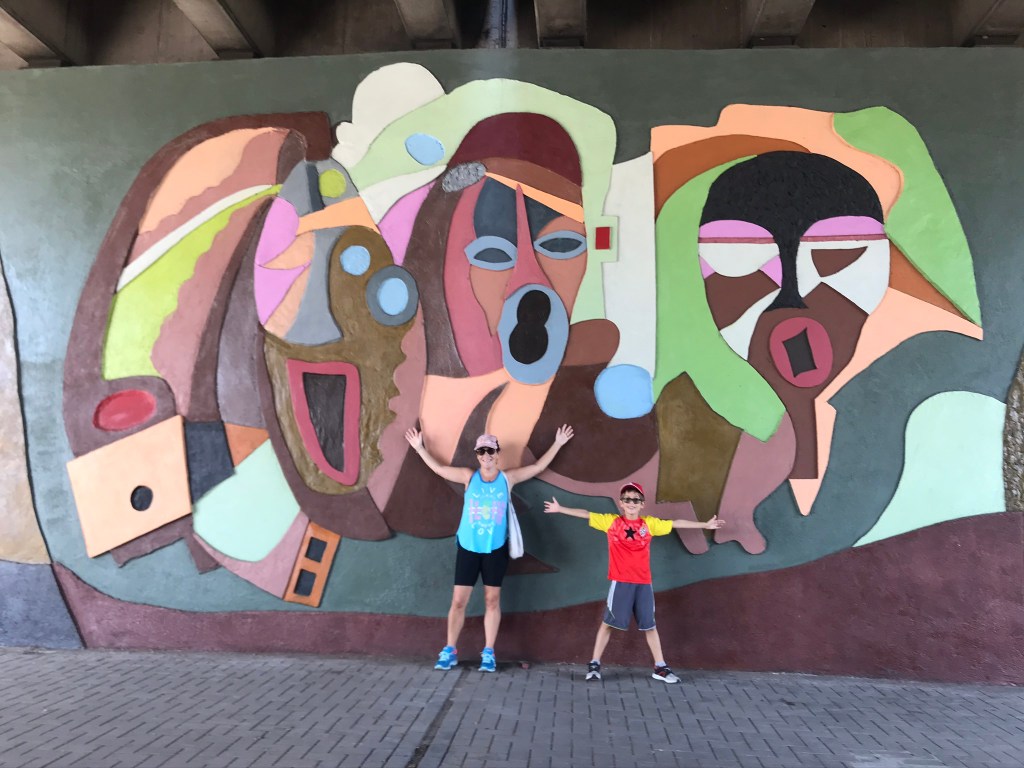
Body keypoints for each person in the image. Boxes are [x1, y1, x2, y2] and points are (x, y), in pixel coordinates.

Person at [405, 424, 574, 672]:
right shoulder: (467, 476)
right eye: (482, 451)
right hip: (468, 548)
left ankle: (488, 652)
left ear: (497, 453)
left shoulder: (508, 479)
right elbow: (439, 469)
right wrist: (420, 448)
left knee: (492, 600)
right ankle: (450, 650)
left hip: (495, 549)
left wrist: (558, 443)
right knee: (459, 601)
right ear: (477, 454)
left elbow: (537, 468)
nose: (486, 456)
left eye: (491, 451)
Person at [543, 481, 725, 683]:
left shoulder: (649, 524)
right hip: (621, 582)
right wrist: (560, 509)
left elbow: (676, 523)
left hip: (643, 583)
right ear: (621, 503)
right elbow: (586, 513)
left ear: (642, 504)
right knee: (608, 624)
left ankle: (660, 667)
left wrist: (704, 525)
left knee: (650, 625)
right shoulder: (611, 522)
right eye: (627, 499)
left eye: (635, 499)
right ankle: (594, 664)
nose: (631, 503)